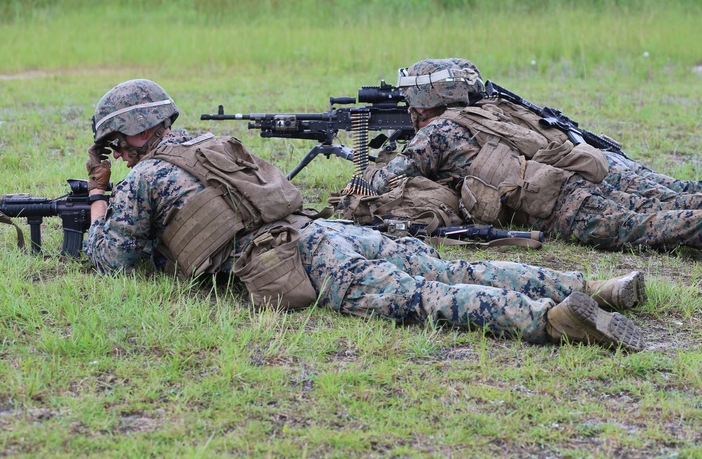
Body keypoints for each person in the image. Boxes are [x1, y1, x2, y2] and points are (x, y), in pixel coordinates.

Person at [82, 78, 649, 352]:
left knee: (418, 296)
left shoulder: (146, 179)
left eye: (116, 144)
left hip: (290, 256)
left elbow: (111, 260)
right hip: (323, 229)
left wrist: (99, 196)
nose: (118, 153)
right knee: (449, 268)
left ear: (128, 137)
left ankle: (551, 321)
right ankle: (591, 285)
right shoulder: (205, 142)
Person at [363, 59, 702, 276]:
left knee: (645, 224)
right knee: (672, 195)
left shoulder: (437, 132)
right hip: (584, 170)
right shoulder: (487, 109)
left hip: (557, 197)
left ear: (423, 102)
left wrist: (367, 164)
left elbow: (384, 181)